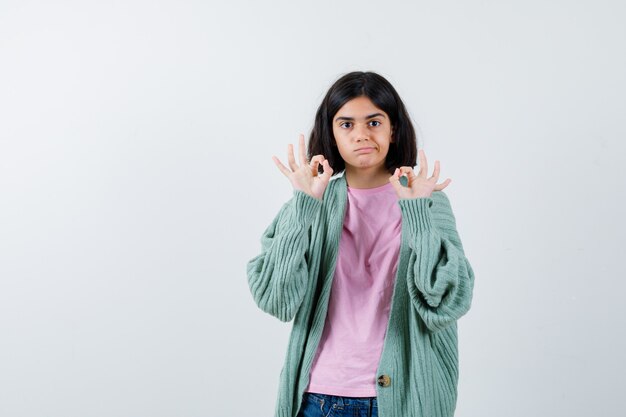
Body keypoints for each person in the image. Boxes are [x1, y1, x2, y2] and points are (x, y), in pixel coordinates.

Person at [246, 71, 475, 417]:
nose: (362, 135)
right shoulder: (311, 203)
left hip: (406, 400)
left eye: (373, 122)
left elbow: (447, 302)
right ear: (332, 133)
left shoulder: (428, 202)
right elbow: (275, 298)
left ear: (393, 128)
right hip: (319, 398)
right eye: (347, 124)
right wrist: (304, 206)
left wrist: (416, 213)